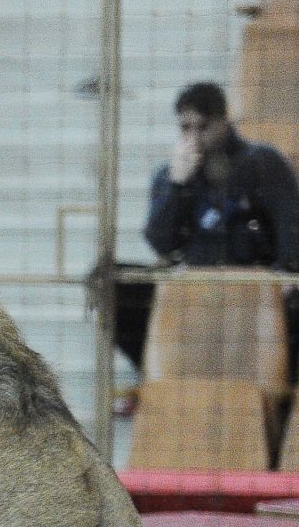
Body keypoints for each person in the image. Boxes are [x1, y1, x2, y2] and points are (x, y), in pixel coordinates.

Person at [115, 82, 299, 380]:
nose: (194, 137)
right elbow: (161, 242)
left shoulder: (263, 162)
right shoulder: (171, 173)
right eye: (185, 128)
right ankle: (155, 378)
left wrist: (286, 273)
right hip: (193, 283)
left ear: (224, 119)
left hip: (255, 281)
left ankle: (280, 395)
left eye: (203, 127)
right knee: (113, 282)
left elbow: (289, 227)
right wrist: (178, 185)